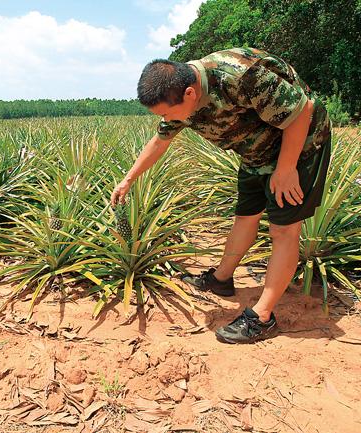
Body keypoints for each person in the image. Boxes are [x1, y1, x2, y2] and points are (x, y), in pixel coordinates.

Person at [111, 47, 332, 344]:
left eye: (165, 112)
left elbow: (301, 111)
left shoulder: (240, 76)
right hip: (255, 152)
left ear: (190, 93)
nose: (165, 119)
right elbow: (160, 140)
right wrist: (127, 179)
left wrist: (286, 167)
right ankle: (222, 279)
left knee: (283, 230)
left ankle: (262, 317)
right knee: (245, 216)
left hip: (300, 145)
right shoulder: (180, 94)